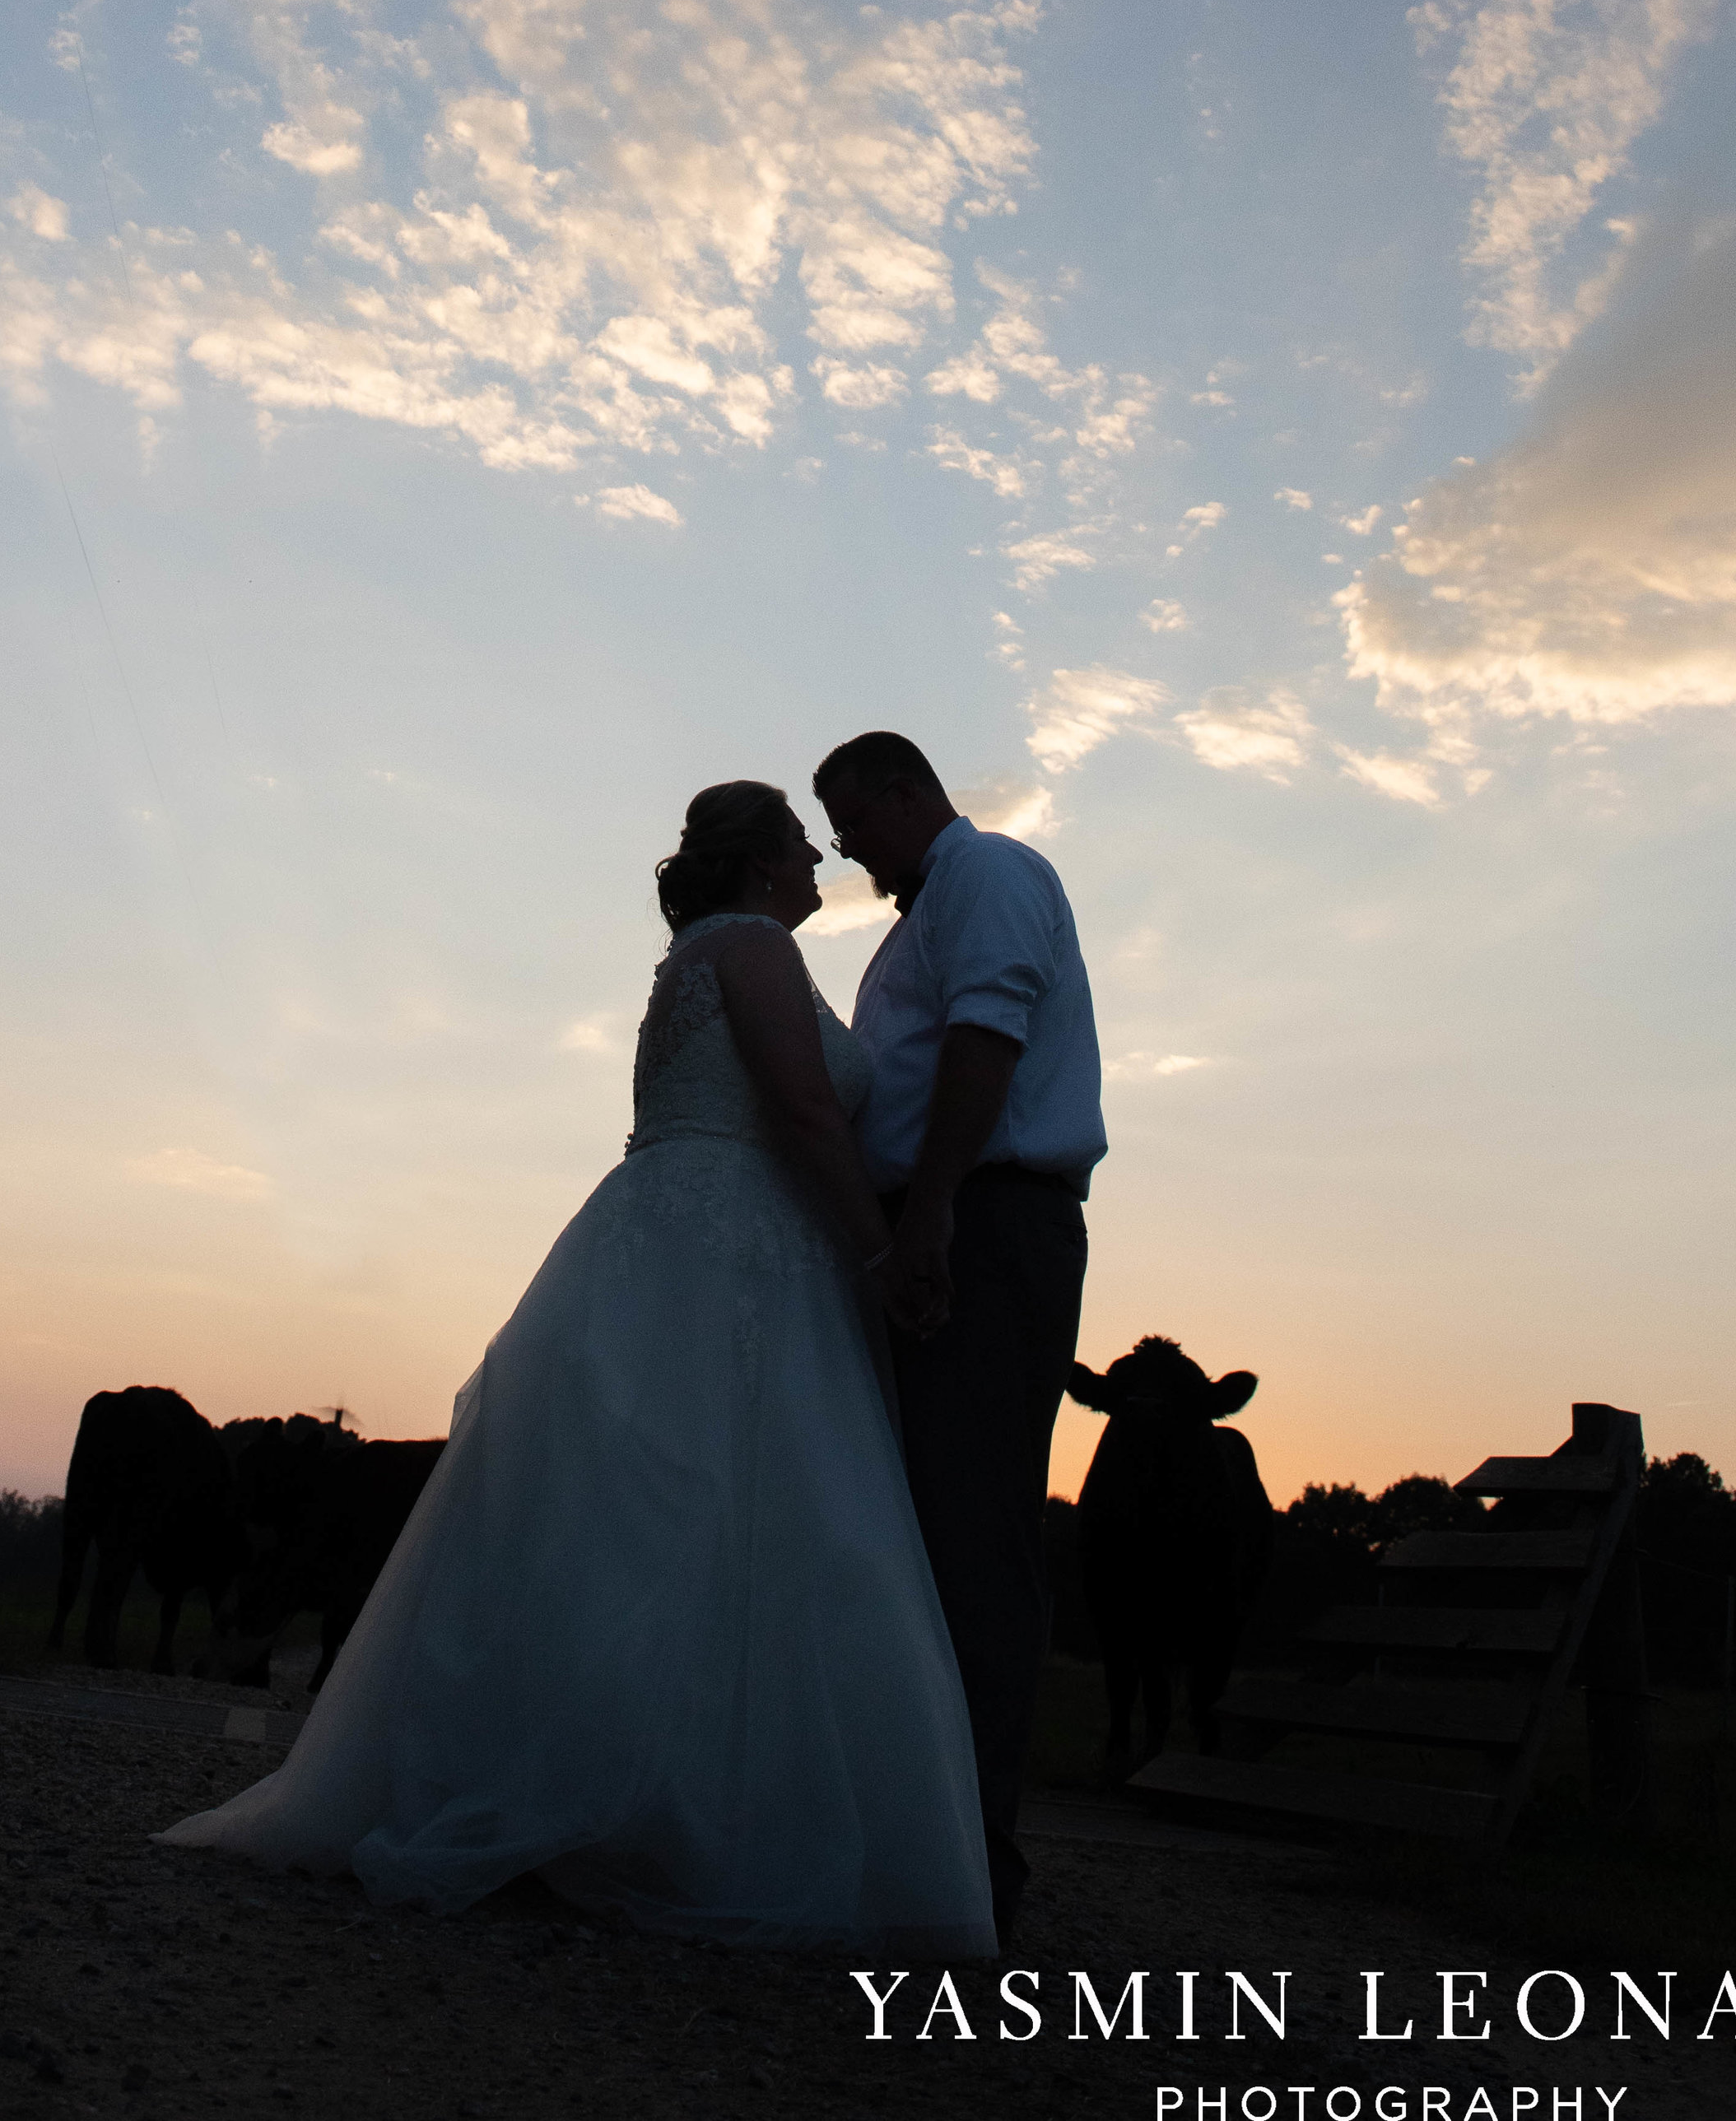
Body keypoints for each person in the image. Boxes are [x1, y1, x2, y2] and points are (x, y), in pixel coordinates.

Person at [158, 781, 993, 1953]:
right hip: (732, 1248)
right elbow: (806, 1111)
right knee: (745, 1520)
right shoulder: (751, 946)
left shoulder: (701, 951)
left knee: (643, 1524)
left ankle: (628, 1792)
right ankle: (681, 1818)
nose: (822, 863)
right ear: (760, 866)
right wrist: (878, 1252)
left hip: (669, 1229)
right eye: (805, 846)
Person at [812, 730, 1102, 1946]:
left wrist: (928, 1212)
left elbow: (989, 1041)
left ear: (899, 790)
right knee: (925, 1532)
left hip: (987, 1224)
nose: (846, 853)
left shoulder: (988, 878)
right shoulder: (912, 928)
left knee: (975, 1536)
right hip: (944, 1222)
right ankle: (918, 1833)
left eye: (850, 824)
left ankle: (976, 1863)